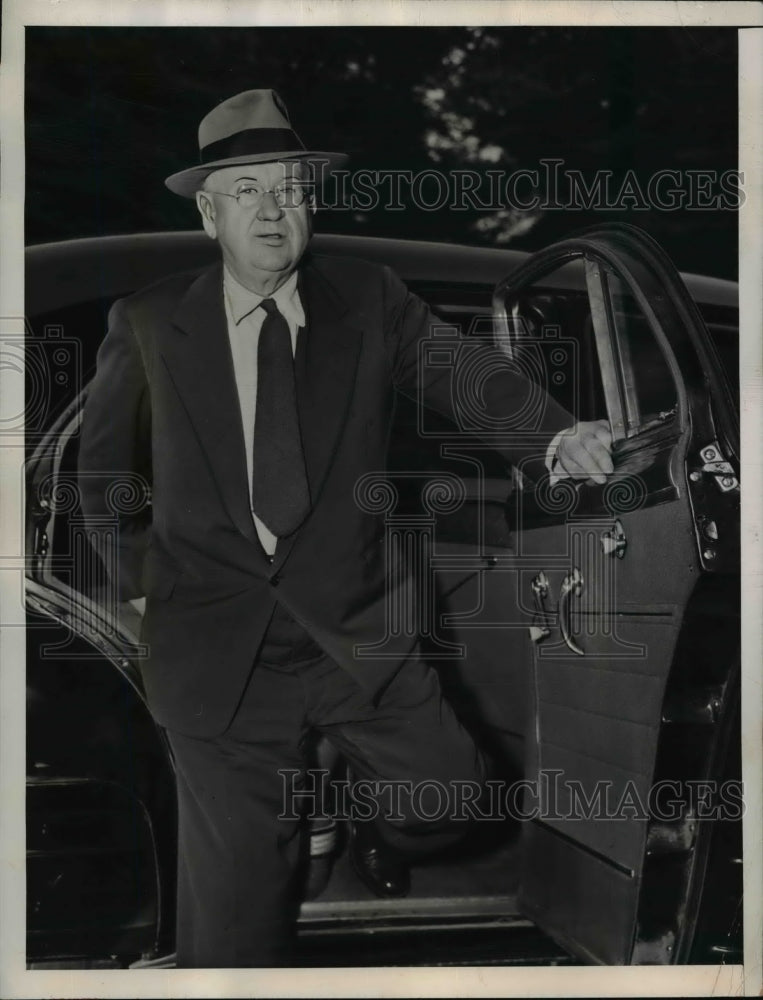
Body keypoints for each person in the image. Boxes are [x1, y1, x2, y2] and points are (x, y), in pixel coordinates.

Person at [77, 89, 614, 968]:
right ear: (210, 213)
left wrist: (555, 434)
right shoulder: (147, 321)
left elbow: (464, 374)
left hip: (358, 633)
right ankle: (292, 841)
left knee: (452, 799)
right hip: (214, 655)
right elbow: (103, 473)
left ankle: (358, 820)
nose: (271, 209)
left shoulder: (370, 301)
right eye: (246, 191)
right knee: (236, 930)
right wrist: (137, 586)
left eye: (288, 188)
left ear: (310, 203)